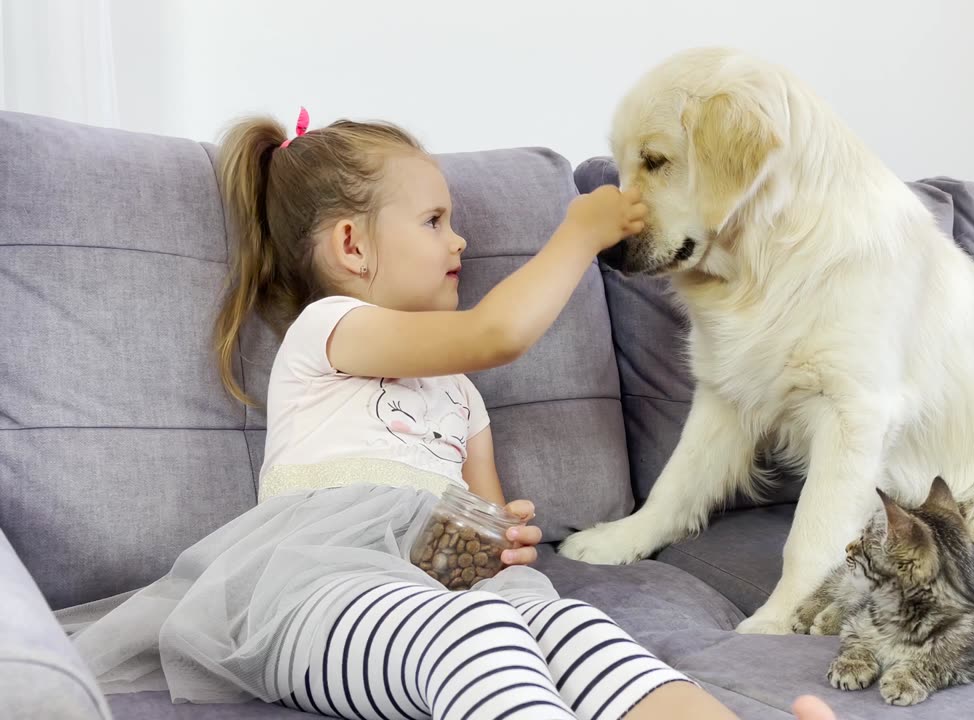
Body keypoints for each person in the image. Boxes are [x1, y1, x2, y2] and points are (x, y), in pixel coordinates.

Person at [59, 108, 837, 720]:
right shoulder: (329, 330)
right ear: (352, 247)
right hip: (317, 594)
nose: (459, 237)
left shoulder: (459, 396)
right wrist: (576, 233)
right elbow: (495, 334)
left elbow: (481, 524)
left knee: (582, 633)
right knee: (483, 631)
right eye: (434, 221)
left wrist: (503, 532)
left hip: (445, 593)